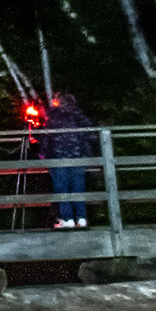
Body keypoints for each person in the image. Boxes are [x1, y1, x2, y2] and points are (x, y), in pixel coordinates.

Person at [38, 92, 96, 230]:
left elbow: (47, 138)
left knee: (61, 188)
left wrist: (43, 153)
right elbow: (90, 134)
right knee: (78, 187)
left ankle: (67, 218)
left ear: (59, 101)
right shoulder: (79, 116)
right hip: (77, 157)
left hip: (59, 157)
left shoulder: (53, 117)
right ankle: (81, 218)